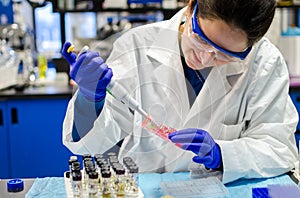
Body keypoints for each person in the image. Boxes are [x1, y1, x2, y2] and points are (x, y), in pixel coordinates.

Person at [61, 0, 299, 184]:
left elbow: (280, 148)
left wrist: (222, 154)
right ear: (191, 7)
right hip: (142, 189)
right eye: (201, 38)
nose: (205, 58)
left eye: (226, 54)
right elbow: (90, 145)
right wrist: (90, 98)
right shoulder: (137, 45)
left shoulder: (264, 62)